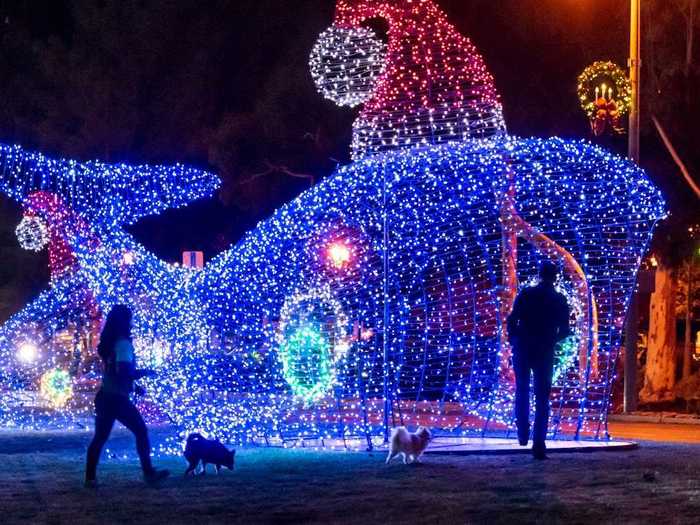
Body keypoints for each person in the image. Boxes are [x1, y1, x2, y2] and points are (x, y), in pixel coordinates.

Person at [85, 305, 169, 487]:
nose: (132, 323)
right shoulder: (123, 344)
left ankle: (90, 479)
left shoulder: (111, 344)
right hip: (117, 399)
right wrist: (144, 373)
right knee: (141, 431)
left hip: (106, 396)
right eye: (130, 319)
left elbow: (115, 373)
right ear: (125, 322)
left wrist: (134, 386)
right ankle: (148, 473)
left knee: (100, 437)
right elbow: (123, 371)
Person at [507, 262, 570, 460]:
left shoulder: (526, 294)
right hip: (544, 350)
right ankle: (539, 443)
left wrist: (515, 338)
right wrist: (551, 339)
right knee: (542, 397)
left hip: (523, 346)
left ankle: (522, 431)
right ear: (555, 277)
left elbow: (512, 320)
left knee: (522, 389)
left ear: (539, 275)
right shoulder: (559, 299)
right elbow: (565, 330)